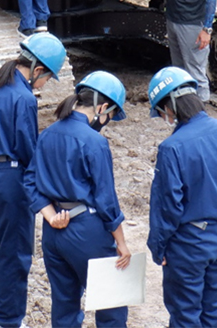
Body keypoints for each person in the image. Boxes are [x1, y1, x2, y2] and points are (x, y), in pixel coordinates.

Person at [0, 32, 68, 328]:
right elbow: (28, 149)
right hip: (9, 179)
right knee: (15, 255)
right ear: (38, 70)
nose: (44, 84)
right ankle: (9, 320)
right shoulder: (24, 97)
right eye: (47, 78)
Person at [24, 71, 132, 328]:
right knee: (111, 307)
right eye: (110, 116)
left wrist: (50, 216)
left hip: (54, 234)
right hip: (87, 231)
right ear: (102, 107)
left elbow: (30, 181)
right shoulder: (95, 142)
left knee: (64, 308)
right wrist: (121, 242)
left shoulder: (48, 134)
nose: (106, 121)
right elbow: (106, 201)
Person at [146, 67, 217, 328]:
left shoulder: (172, 148)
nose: (163, 117)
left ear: (169, 107)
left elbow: (167, 206)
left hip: (189, 244)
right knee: (213, 311)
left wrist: (159, 248)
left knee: (185, 316)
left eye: (161, 111)